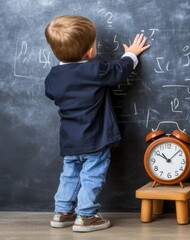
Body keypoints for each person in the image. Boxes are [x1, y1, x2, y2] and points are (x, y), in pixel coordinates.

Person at [44, 15, 150, 232]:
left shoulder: (54, 76)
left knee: (70, 174)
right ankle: (86, 216)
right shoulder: (95, 69)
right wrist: (131, 54)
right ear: (90, 52)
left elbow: (51, 94)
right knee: (92, 175)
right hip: (95, 138)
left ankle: (62, 212)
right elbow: (118, 72)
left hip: (70, 140)